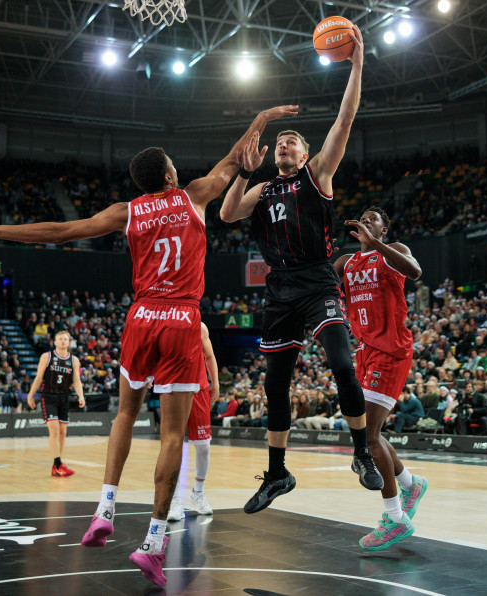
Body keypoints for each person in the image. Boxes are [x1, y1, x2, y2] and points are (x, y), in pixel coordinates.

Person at [0, 104, 297, 588]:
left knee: (125, 415)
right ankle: (153, 541)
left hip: (142, 317)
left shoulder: (125, 212)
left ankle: (104, 508)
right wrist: (262, 118)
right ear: (170, 173)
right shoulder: (193, 195)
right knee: (173, 436)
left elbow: (59, 232)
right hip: (180, 320)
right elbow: (237, 157)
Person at [220, 25, 384, 516]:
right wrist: (245, 171)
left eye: (293, 140)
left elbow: (346, 117)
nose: (286, 145)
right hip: (280, 288)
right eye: (281, 142)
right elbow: (228, 214)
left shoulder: (318, 176)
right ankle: (277, 473)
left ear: (306, 152)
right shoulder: (262, 189)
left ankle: (360, 453)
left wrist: (356, 66)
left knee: (340, 363)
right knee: (275, 383)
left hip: (317, 279)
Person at [332, 206, 427, 550]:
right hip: (364, 351)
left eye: (375, 220)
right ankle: (410, 482)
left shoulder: (395, 252)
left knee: (369, 439)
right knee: (368, 434)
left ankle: (396, 518)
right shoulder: (345, 263)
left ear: (385, 229)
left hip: (391, 350)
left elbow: (415, 272)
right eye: (364, 218)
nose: (367, 222)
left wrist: (376, 244)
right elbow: (320, 284)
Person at [168, 323, 219, 522]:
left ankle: (198, 492)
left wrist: (215, 384)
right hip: (173, 388)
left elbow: (209, 356)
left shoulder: (200, 327)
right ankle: (174, 499)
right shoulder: (165, 322)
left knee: (203, 447)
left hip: (198, 389)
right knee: (173, 446)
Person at [25, 330, 86, 477]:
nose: (63, 341)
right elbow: (39, 377)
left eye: (66, 339)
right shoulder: (47, 356)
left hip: (64, 397)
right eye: (60, 339)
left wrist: (81, 396)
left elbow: (77, 381)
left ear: (69, 342)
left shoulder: (74, 360)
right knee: (55, 430)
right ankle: (58, 464)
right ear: (55, 342)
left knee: (63, 433)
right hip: (49, 396)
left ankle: (56, 465)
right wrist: (31, 395)